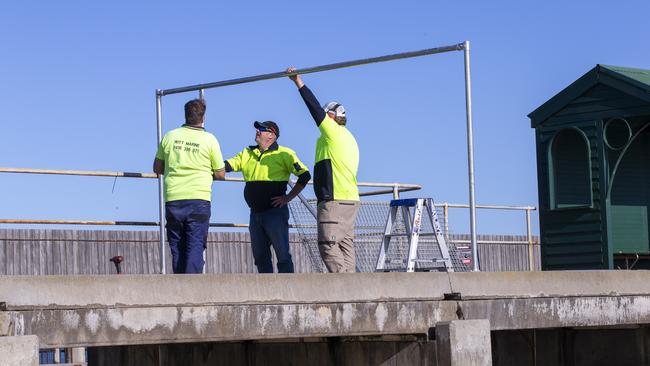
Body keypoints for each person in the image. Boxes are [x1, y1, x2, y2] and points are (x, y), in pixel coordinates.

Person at [287, 67, 360, 273]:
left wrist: (297, 81)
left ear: (332, 116)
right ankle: (354, 287)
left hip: (334, 199)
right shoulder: (349, 138)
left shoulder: (332, 132)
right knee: (345, 244)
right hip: (351, 199)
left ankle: (343, 285)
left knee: (327, 244)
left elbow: (313, 108)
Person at [224, 121, 311, 273]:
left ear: (272, 135)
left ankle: (288, 293)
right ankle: (268, 294)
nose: (257, 131)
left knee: (282, 255)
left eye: (262, 129)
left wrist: (287, 198)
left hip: (275, 213)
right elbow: (226, 166)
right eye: (258, 129)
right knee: (260, 257)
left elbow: (305, 175)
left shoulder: (285, 154)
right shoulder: (247, 153)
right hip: (255, 214)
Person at [153, 98, 225, 274]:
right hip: (199, 198)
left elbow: (157, 168)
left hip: (174, 198)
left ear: (185, 115)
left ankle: (180, 289)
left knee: (177, 245)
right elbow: (220, 173)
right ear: (203, 117)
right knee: (195, 245)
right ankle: (192, 293)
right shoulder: (209, 139)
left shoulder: (170, 136)